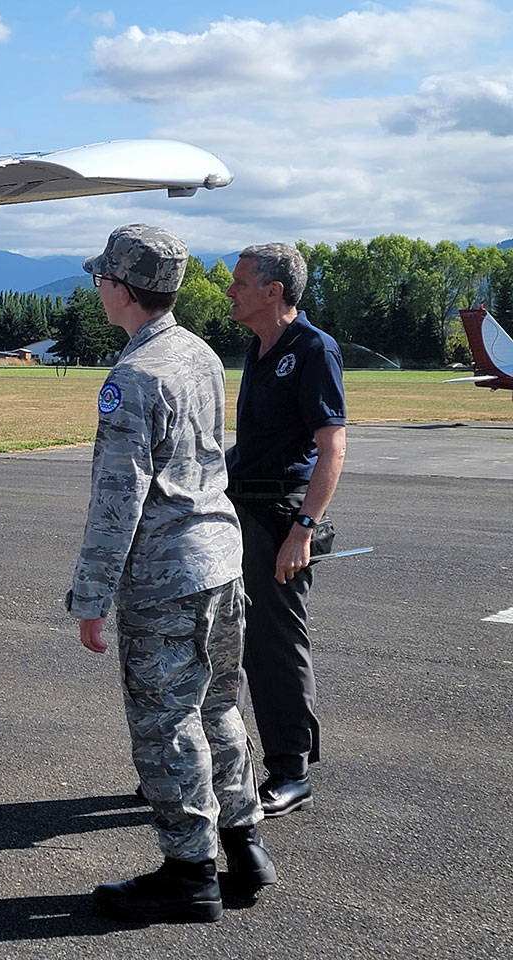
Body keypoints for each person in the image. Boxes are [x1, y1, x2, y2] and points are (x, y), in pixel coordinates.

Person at [68, 224, 274, 924]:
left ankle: (189, 872)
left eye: (102, 278)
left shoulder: (134, 375)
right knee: (218, 707)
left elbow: (117, 497)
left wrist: (92, 595)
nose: (98, 288)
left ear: (121, 288)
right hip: (220, 558)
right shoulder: (201, 353)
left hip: (166, 575)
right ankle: (243, 846)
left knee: (166, 725)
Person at [225, 244, 347, 818]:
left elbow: (332, 446)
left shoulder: (313, 349)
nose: (231, 291)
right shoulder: (259, 345)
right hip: (242, 506)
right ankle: (229, 762)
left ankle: (291, 772)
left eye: (241, 283)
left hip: (281, 517)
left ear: (274, 292)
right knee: (235, 639)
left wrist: (303, 529)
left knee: (276, 645)